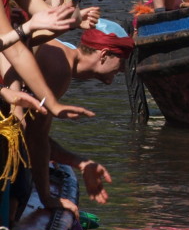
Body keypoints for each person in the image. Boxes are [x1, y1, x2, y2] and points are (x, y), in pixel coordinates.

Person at [26, 29, 132, 214]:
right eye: (121, 63)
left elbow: (31, 132)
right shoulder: (60, 69)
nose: (120, 71)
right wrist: (47, 198)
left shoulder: (60, 52)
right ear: (104, 54)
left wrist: (80, 162)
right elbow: (34, 138)